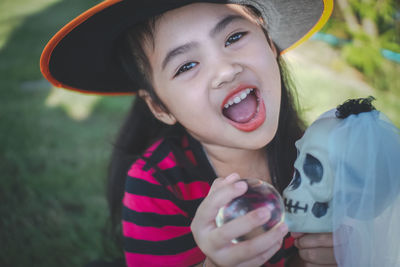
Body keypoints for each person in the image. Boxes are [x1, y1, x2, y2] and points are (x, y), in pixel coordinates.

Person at [40, 0, 336, 266]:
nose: (225, 71)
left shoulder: (321, 159)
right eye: (187, 66)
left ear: (271, 45)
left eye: (234, 37)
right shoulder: (155, 184)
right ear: (159, 106)